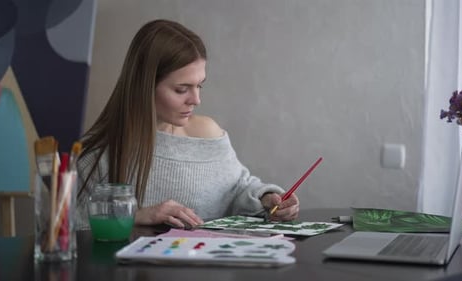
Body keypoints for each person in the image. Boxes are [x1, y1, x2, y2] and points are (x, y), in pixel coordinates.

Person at [76, 19, 299, 230]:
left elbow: (239, 188)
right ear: (144, 86)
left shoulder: (207, 133)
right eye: (181, 89)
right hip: (131, 271)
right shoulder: (98, 155)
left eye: (199, 86)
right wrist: (137, 216)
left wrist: (268, 199)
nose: (196, 100)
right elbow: (66, 225)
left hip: (210, 266)